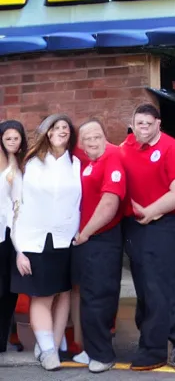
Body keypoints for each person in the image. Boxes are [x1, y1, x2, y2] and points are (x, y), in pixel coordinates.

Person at [120, 103, 175, 371]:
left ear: (158, 124)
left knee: (167, 289)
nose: (144, 128)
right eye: (139, 123)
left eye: (149, 124)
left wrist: (151, 211)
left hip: (165, 226)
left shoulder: (172, 149)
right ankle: (152, 341)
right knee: (147, 291)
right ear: (133, 123)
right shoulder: (125, 148)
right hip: (135, 228)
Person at [11, 114, 81, 371]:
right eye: (57, 127)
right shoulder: (31, 164)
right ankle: (48, 349)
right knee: (42, 295)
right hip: (34, 240)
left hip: (66, 240)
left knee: (63, 292)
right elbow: (16, 206)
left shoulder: (75, 164)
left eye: (66, 127)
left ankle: (53, 342)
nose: (62, 130)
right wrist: (18, 249)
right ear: (47, 133)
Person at [70, 119, 126, 374]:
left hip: (101, 239)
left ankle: (103, 355)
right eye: (86, 139)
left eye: (97, 136)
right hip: (87, 241)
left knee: (100, 298)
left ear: (105, 137)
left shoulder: (111, 159)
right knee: (89, 296)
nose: (92, 142)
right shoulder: (89, 162)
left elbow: (109, 204)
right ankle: (92, 349)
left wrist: (85, 233)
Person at [0, 121, 27, 353]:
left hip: (17, 234)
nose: (11, 141)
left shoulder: (23, 164)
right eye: (7, 137)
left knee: (10, 289)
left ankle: (4, 338)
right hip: (2, 232)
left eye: (15, 137)